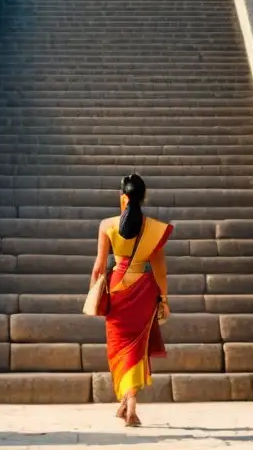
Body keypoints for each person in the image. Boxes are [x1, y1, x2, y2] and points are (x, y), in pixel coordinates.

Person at [89, 173, 172, 427]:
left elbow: (99, 266)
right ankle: (130, 402)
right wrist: (164, 298)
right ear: (143, 197)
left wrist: (94, 291)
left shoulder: (107, 225)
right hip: (144, 290)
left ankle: (129, 401)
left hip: (117, 290)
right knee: (137, 347)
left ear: (122, 197)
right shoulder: (154, 229)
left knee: (118, 347)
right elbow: (160, 269)